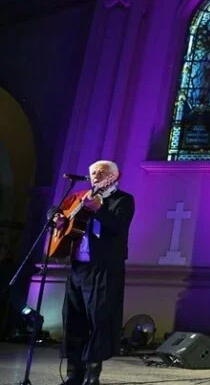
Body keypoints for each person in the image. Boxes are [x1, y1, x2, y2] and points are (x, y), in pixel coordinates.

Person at [54, 160, 134, 385]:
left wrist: (98, 209)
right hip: (79, 266)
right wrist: (56, 218)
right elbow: (56, 208)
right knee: (73, 319)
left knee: (98, 319)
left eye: (101, 172)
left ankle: (92, 375)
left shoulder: (123, 200)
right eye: (92, 172)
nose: (96, 175)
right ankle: (73, 374)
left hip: (104, 268)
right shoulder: (81, 196)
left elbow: (118, 226)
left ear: (114, 176)